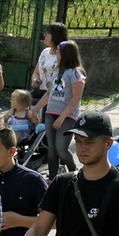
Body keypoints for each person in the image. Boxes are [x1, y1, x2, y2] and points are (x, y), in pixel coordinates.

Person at [34, 40, 86, 180]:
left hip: (67, 116)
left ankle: (75, 174)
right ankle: (53, 179)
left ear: (66, 54)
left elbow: (76, 98)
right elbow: (48, 94)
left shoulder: (75, 73)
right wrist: (35, 109)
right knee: (52, 149)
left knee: (61, 149)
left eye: (58, 52)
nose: (55, 54)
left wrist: (62, 117)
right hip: (51, 113)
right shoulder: (57, 71)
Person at [31, 22, 68, 104]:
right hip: (41, 95)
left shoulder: (63, 55)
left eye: (47, 33)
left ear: (55, 36)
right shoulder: (45, 52)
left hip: (54, 98)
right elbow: (36, 72)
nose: (45, 35)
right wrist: (35, 79)